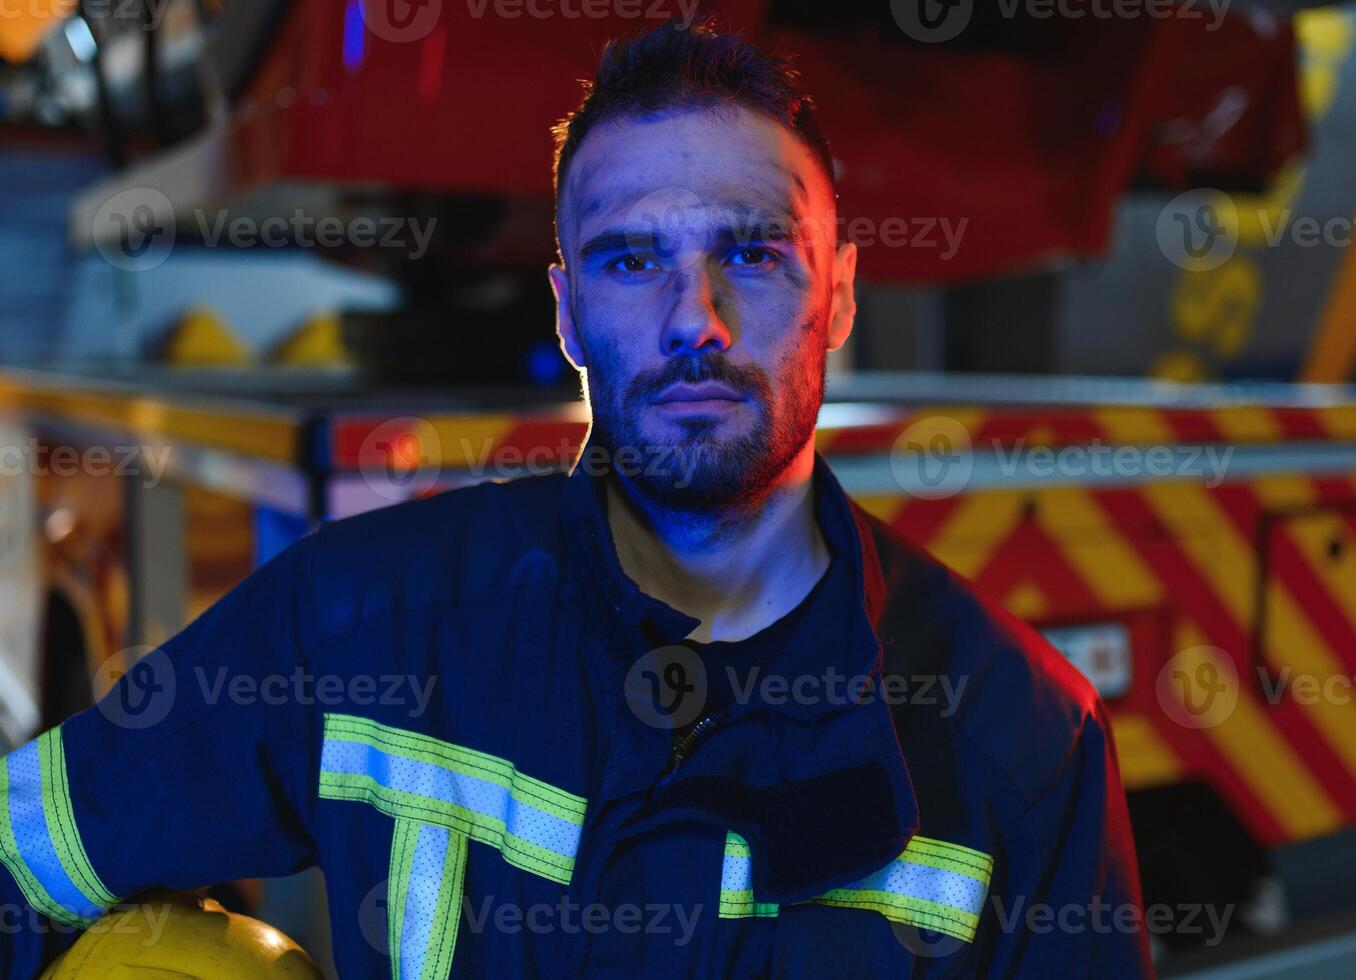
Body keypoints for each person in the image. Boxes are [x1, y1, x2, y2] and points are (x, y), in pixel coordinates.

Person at [0, 19, 1150, 979]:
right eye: (632, 259)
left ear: (838, 293)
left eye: (753, 255)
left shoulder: (1022, 745)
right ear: (566, 309)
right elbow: (21, 852)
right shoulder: (362, 624)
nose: (694, 321)